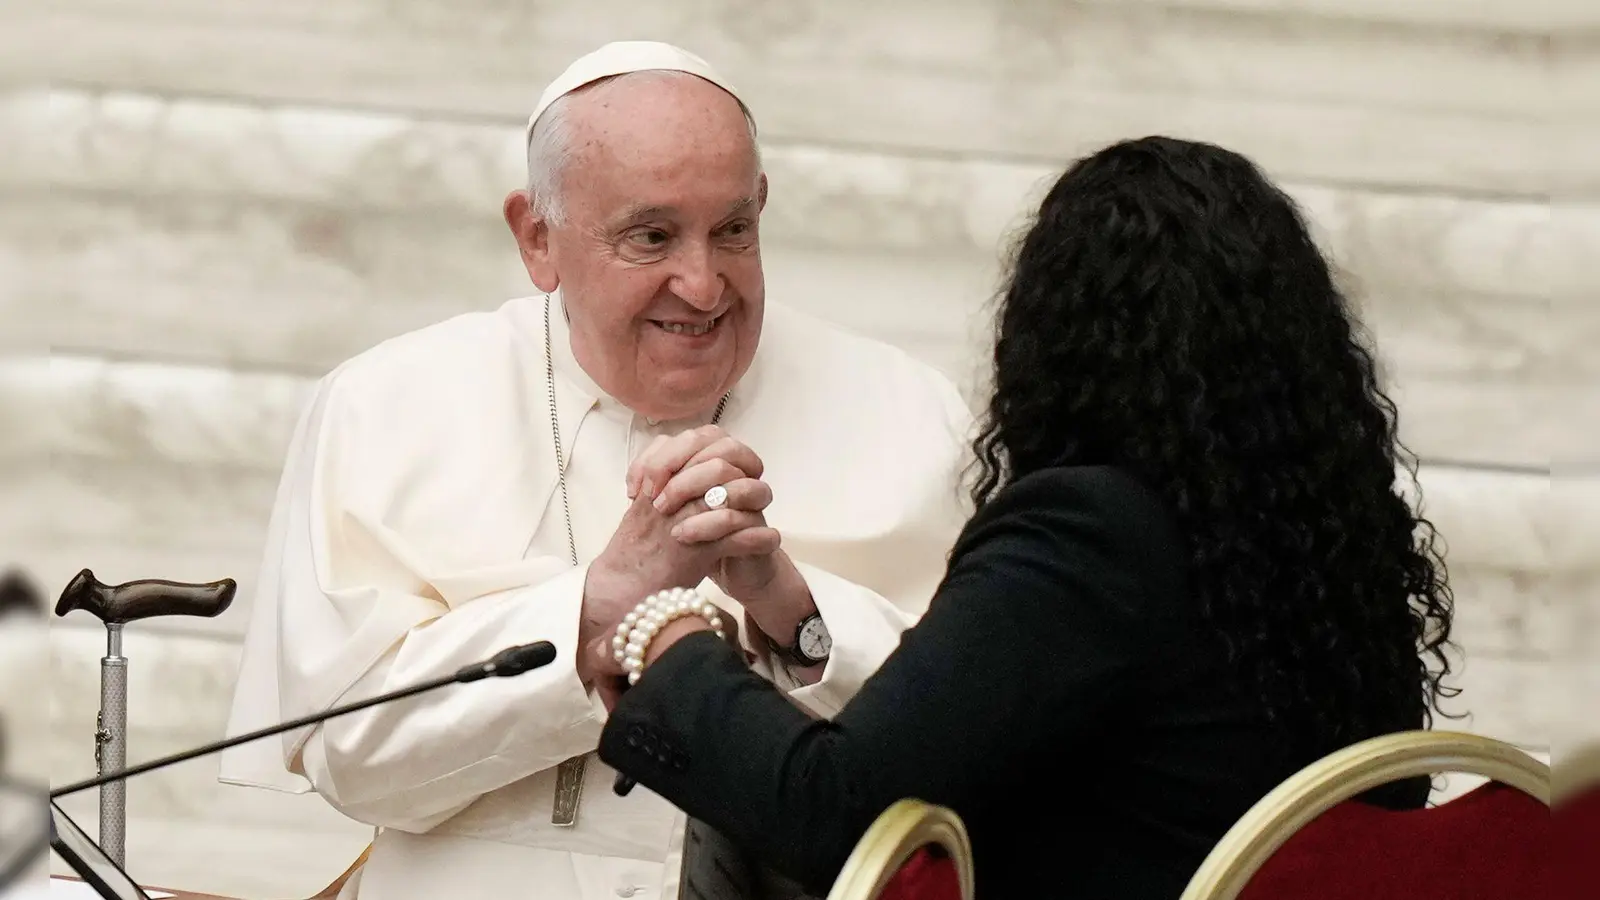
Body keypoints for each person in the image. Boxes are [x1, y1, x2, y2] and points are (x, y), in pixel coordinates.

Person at [592, 136, 1459, 898]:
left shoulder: (1089, 535)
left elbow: (839, 814)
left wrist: (664, 634)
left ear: (1060, 339)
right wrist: (785, 603)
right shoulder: (1332, 559)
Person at [217, 42, 974, 900]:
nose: (702, 284)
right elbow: (348, 754)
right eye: (651, 237)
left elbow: (976, 749)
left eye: (733, 230)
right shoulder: (384, 404)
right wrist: (597, 605)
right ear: (537, 238)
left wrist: (793, 612)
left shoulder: (913, 412)